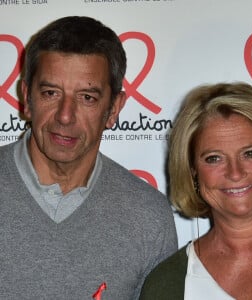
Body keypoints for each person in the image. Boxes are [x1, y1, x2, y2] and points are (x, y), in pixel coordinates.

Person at [0, 16, 178, 299]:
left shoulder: (148, 217)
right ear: (26, 97)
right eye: (50, 92)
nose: (65, 115)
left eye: (87, 98)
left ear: (114, 109)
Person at [140, 82, 252, 300]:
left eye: (250, 154)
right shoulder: (167, 286)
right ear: (192, 170)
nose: (235, 173)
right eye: (214, 158)